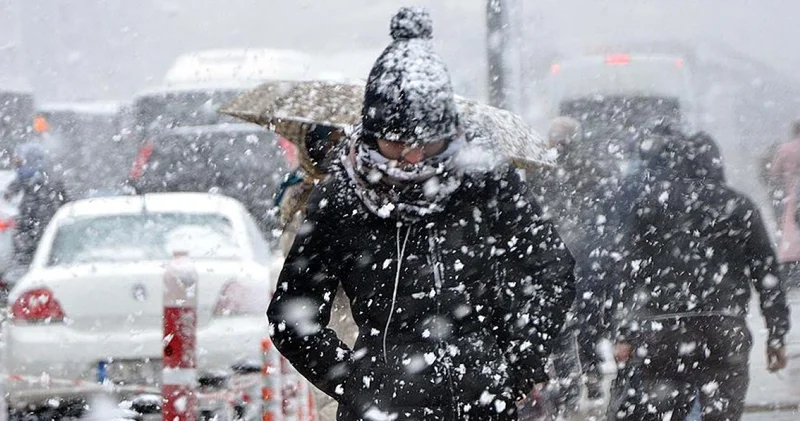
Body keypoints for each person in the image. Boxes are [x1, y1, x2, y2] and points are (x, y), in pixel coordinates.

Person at [267, 7, 576, 421]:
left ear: (448, 132)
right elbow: (291, 316)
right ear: (372, 133)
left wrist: (519, 362)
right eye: (396, 143)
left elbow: (551, 269)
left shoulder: (485, 182)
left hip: (481, 403)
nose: (412, 158)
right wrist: (356, 383)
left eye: (427, 143)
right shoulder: (341, 198)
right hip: (381, 407)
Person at [608, 130, 790, 421]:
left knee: (664, 408)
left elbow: (627, 271)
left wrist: (623, 333)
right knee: (720, 410)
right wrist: (776, 333)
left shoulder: (650, 204)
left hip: (662, 328)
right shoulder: (738, 205)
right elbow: (766, 270)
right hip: (723, 324)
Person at [528, 116, 614, 407]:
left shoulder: (543, 166)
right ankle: (587, 375)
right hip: (579, 251)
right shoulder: (588, 165)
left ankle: (572, 384)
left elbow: (537, 205)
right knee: (585, 317)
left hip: (562, 251)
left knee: (568, 319)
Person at [3, 143, 68, 267]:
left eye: (19, 158)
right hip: (39, 225)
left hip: (35, 226)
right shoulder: (34, 176)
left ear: (28, 158)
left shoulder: (33, 178)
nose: (16, 161)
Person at [769, 119, 800, 288]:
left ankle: (791, 265)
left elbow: (774, 173)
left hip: (792, 193)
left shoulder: (785, 149)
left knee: (790, 229)